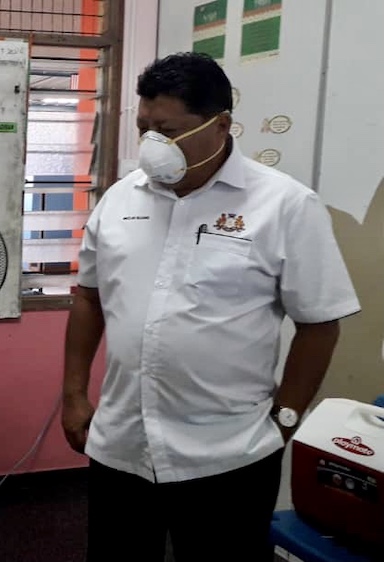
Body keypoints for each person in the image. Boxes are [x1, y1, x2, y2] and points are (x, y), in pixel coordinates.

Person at [62, 52, 361, 562]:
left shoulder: (284, 205)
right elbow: (89, 297)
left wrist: (286, 418)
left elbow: (319, 324)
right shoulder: (119, 199)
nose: (152, 144)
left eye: (168, 131)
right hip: (122, 443)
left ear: (221, 125)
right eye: (144, 128)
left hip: (228, 453)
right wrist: (72, 394)